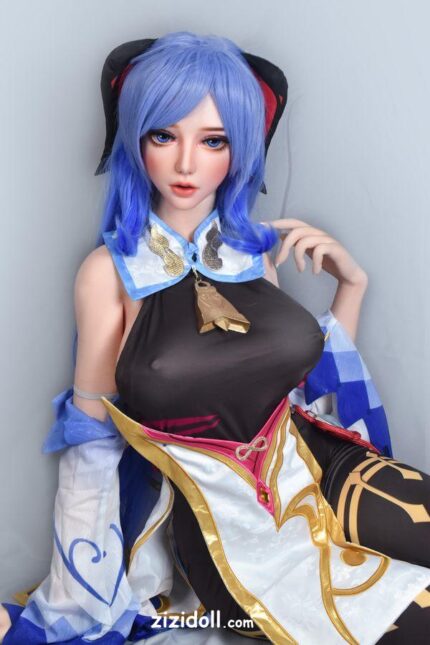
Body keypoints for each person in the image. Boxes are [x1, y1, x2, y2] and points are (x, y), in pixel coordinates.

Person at [1, 31, 429, 645]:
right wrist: (69, 605)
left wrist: (353, 288)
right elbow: (90, 447)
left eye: (213, 141)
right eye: (163, 136)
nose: (185, 164)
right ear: (135, 139)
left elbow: (298, 388)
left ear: (240, 148)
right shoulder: (108, 273)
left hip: (326, 468)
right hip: (227, 524)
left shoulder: (254, 256)